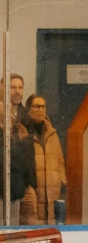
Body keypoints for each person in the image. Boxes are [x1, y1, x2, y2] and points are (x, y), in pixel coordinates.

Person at [25, 94, 66, 226]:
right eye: (37, 106)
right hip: (33, 188)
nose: (41, 110)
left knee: (51, 225)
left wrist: (61, 178)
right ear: (28, 109)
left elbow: (60, 159)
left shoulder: (52, 133)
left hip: (53, 188)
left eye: (43, 107)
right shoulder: (23, 131)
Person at [0, 98, 36, 226]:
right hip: (3, 189)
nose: (5, 104)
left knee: (12, 231)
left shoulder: (20, 130)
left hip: (15, 191)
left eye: (5, 101)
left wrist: (26, 183)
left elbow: (25, 160)